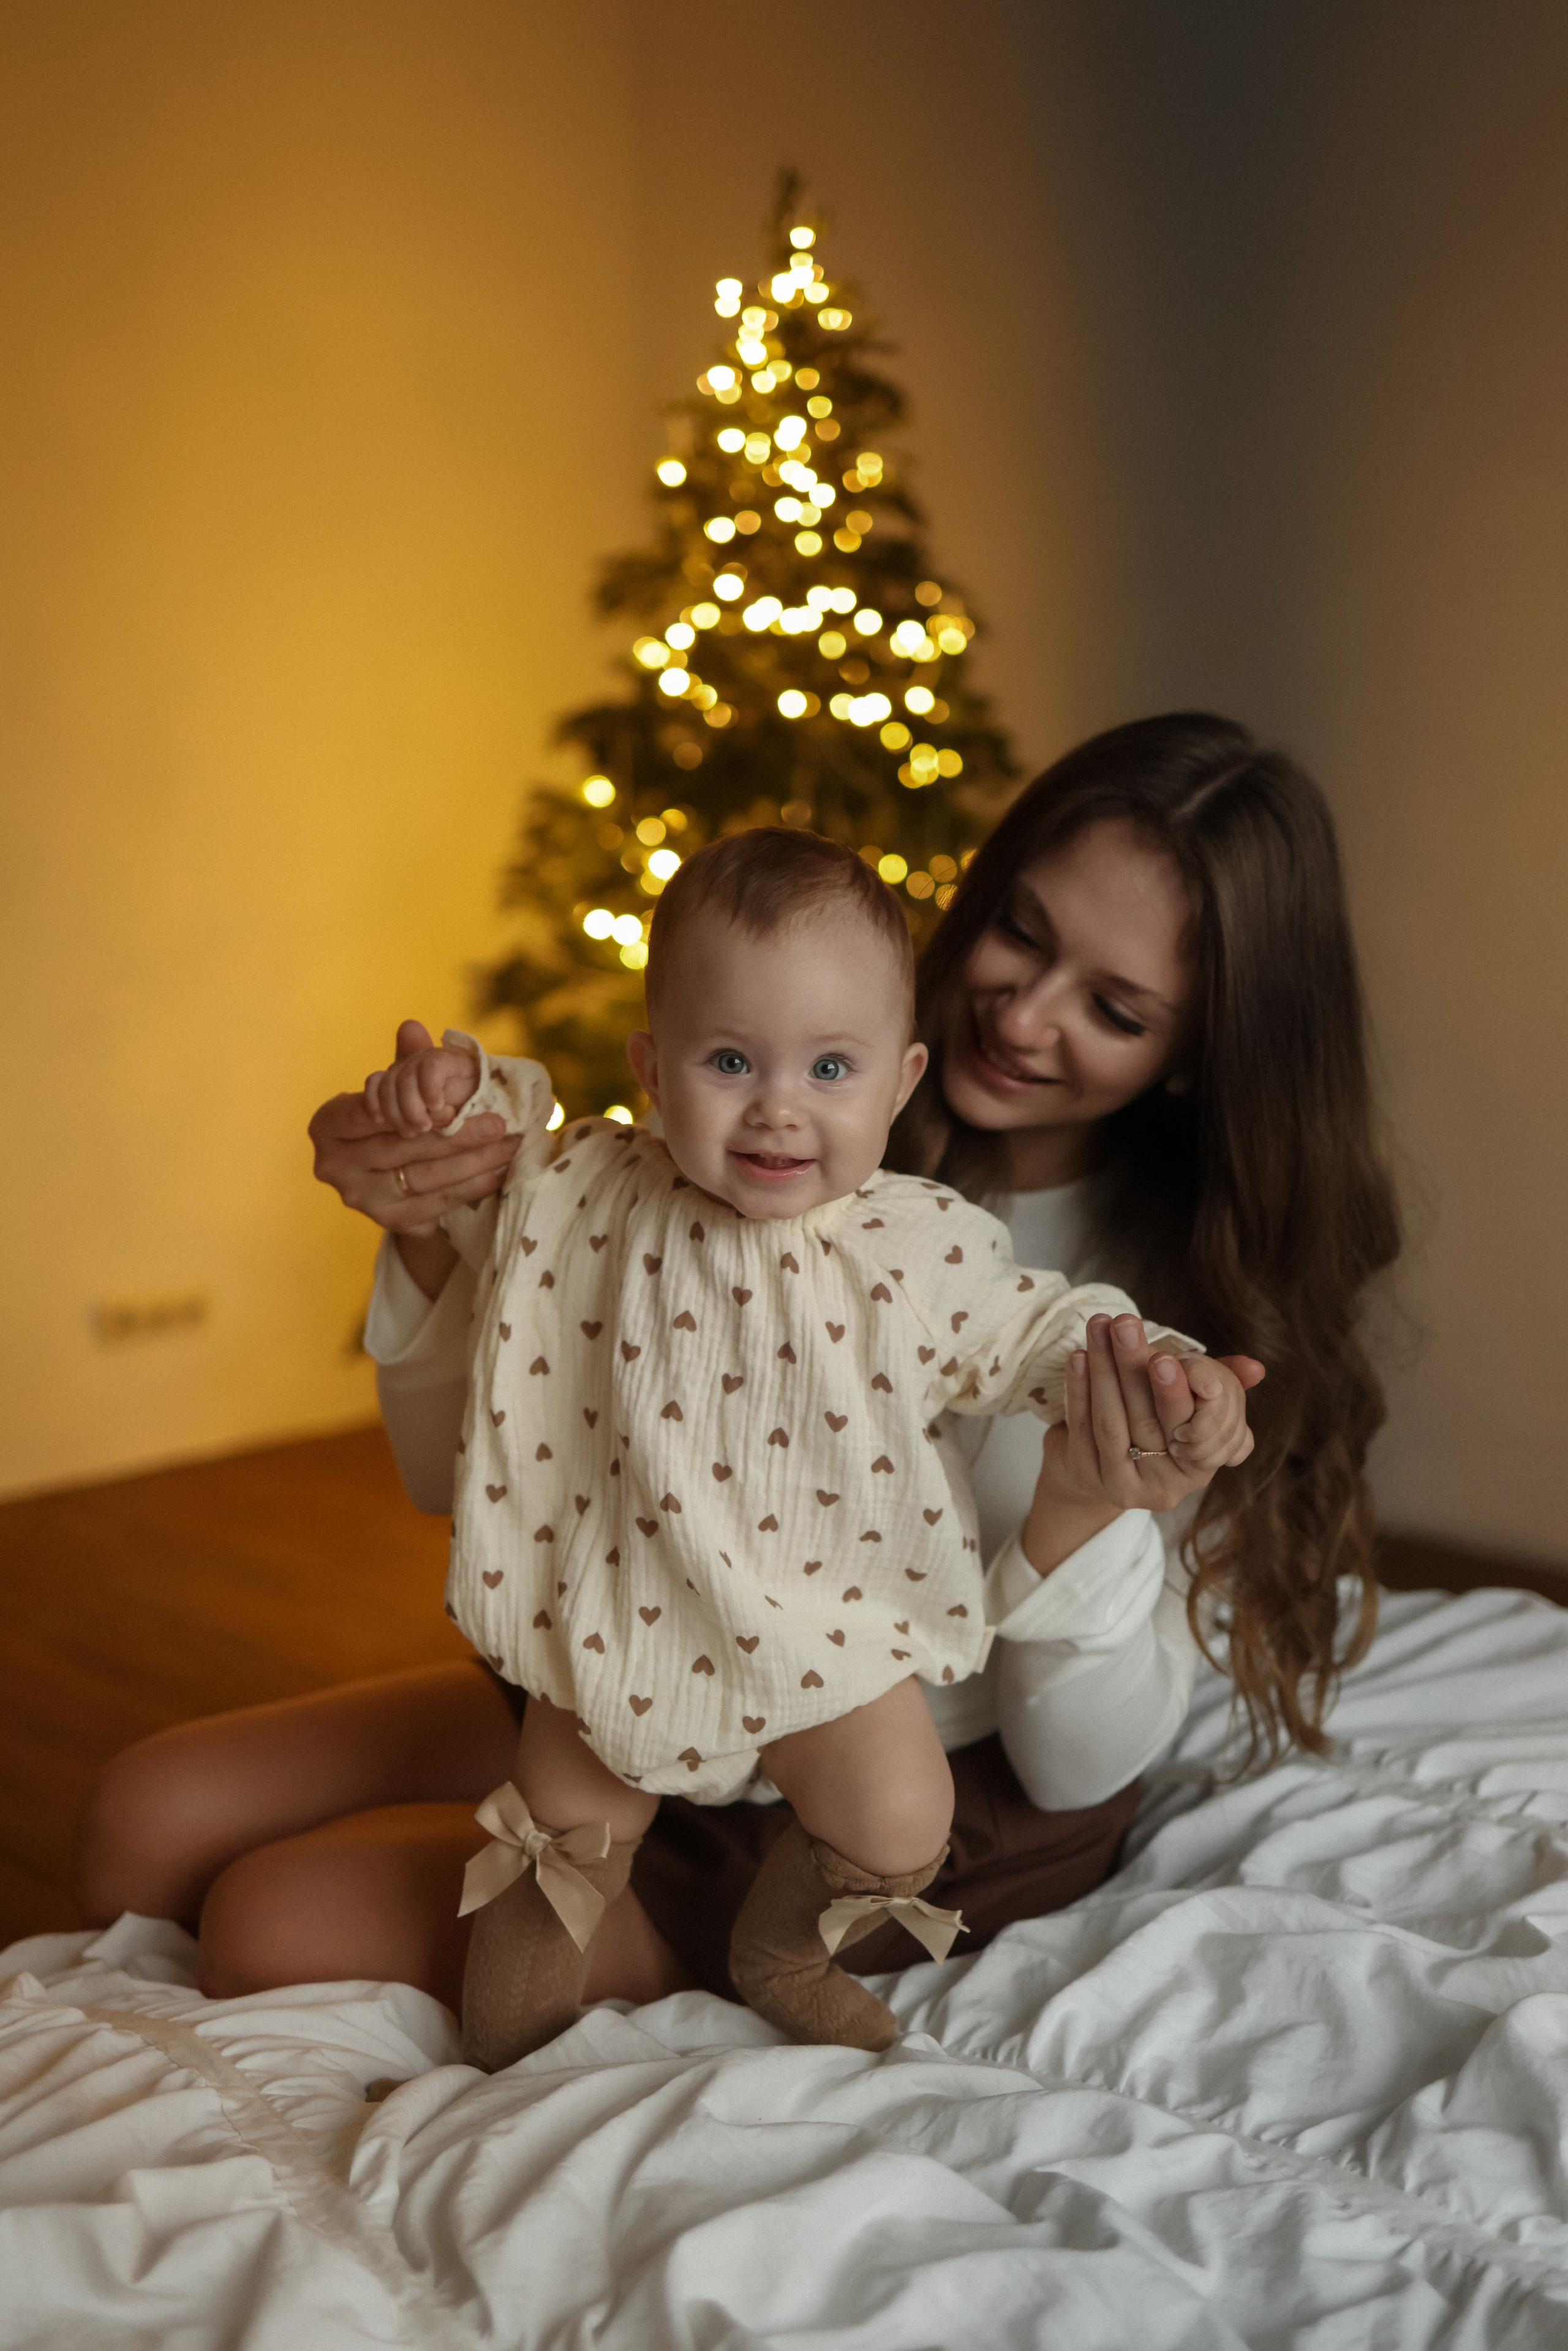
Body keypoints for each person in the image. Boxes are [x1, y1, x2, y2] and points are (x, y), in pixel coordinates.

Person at [75, 712, 1392, 2039]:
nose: (1024, 1012)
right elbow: (456, 1473)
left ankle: (732, 1947)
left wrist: (1085, 1508)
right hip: (642, 1645)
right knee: (142, 1821)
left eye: (1114, 1008)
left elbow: (1076, 1767)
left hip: (908, 1774)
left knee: (262, 1920)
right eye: (1021, 932)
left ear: (1199, 1050)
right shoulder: (726, 1132)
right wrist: (428, 1224)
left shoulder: (1159, 1316)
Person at [363, 828, 1205, 2061]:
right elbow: (496, 1156)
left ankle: (783, 1952)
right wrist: (449, 1100)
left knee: (899, 1816)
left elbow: (1041, 1325)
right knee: (558, 1836)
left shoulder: (918, 1242)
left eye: (829, 1066)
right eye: (728, 1059)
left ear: (899, 1081)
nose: (777, 1105)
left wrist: (1153, 1363)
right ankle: (505, 2055)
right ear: (652, 1068)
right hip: (626, 1603)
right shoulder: (593, 1189)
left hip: (829, 1613)